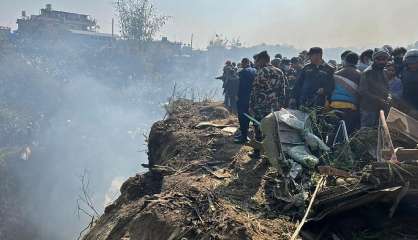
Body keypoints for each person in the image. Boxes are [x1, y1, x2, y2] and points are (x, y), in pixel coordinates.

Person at [249, 51, 287, 158]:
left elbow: (255, 91)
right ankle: (275, 155)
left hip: (261, 107)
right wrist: (280, 106)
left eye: (256, 61)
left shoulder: (261, 72)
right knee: (274, 131)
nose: (255, 63)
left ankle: (257, 152)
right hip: (275, 107)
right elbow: (283, 91)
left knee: (258, 129)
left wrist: (251, 107)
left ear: (262, 60)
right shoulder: (279, 72)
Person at [329, 52, 361, 135]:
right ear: (357, 62)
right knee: (347, 131)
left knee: (333, 129)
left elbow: (330, 89)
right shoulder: (360, 75)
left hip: (334, 105)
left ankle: (330, 145)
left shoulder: (336, 74)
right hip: (350, 107)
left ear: (345, 61)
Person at [358, 48, 391, 127]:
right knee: (367, 132)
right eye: (379, 59)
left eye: (384, 59)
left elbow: (387, 89)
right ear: (374, 59)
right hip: (369, 109)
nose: (381, 61)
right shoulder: (368, 72)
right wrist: (379, 99)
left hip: (382, 109)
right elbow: (362, 91)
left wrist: (389, 97)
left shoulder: (384, 72)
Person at [235, 58, 256, 144]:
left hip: (243, 98)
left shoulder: (242, 72)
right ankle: (246, 135)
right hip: (253, 98)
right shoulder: (255, 71)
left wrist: (236, 96)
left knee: (242, 117)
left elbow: (239, 86)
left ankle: (244, 137)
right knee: (249, 116)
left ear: (243, 64)